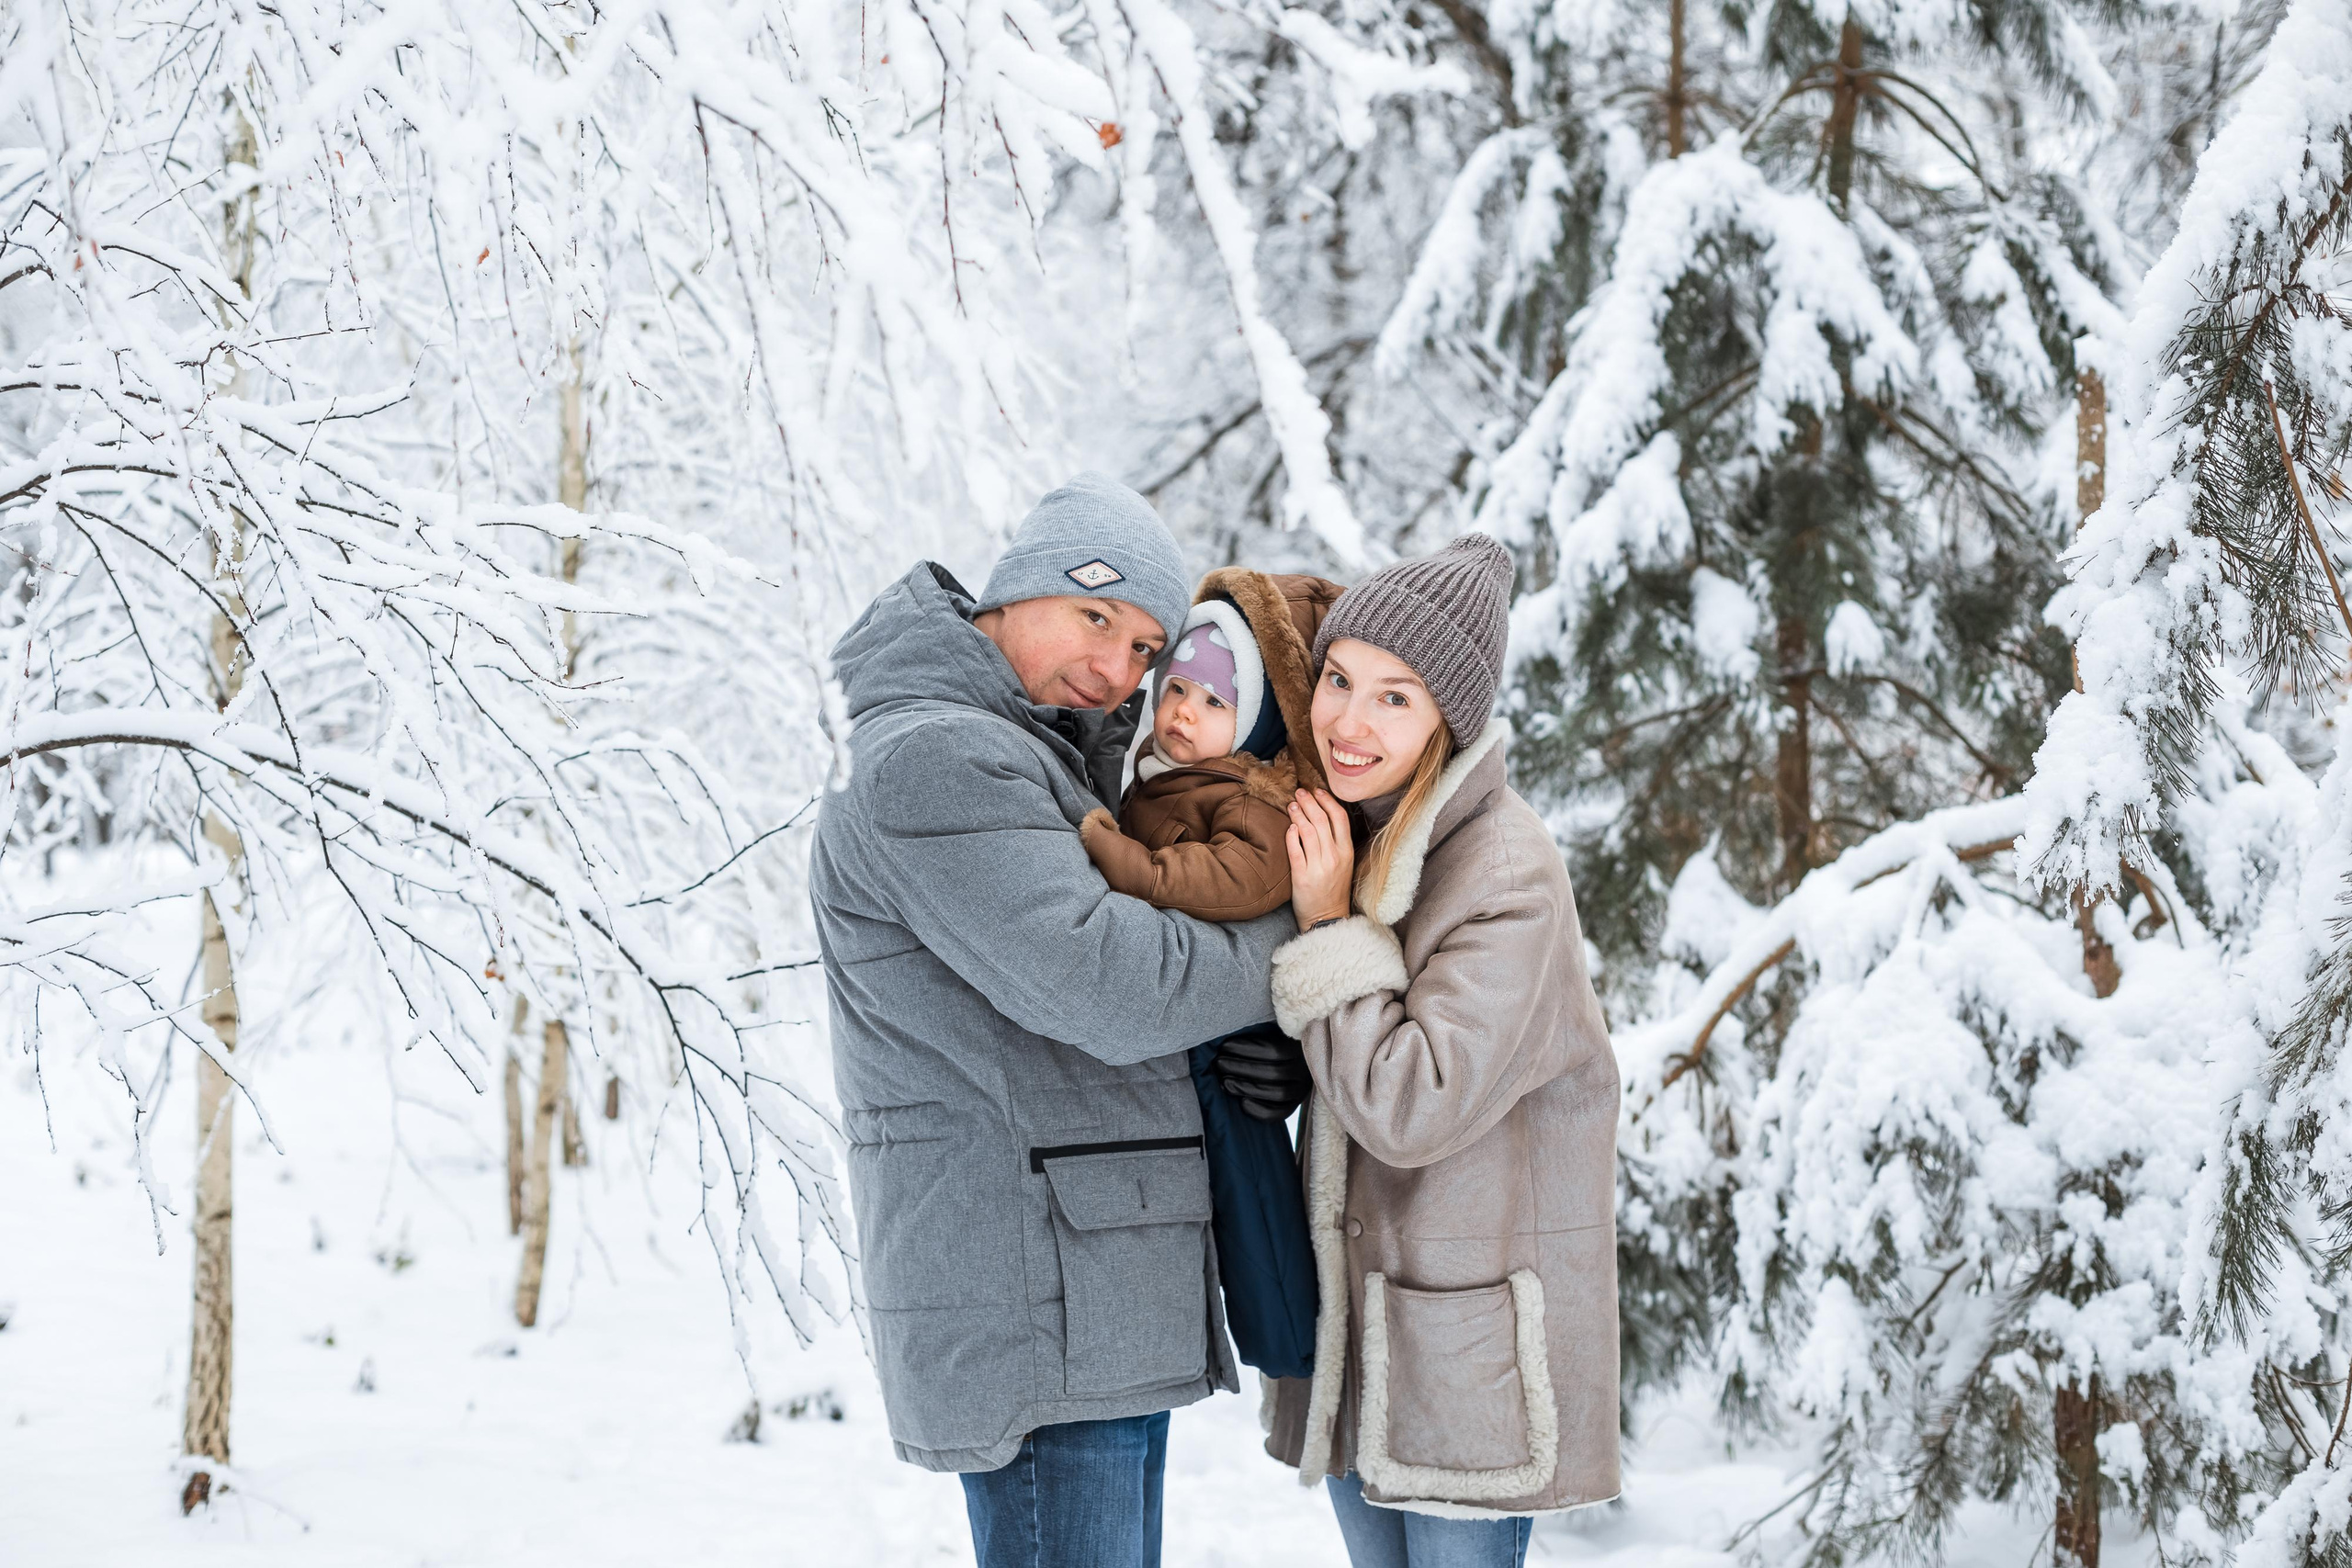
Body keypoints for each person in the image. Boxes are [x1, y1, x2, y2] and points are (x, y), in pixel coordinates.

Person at [808, 474, 1305, 1568]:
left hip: (1083, 1284)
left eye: (1142, 649)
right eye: (1096, 618)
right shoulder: (939, 759)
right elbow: (1115, 989)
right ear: (1016, 591)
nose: (1114, 669)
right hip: (1039, 1297)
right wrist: (1301, 938)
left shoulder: (1028, 754)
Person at [1261, 535, 1623, 1568]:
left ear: (1447, 720)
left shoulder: (1505, 870)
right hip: (1371, 1333)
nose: (1346, 719)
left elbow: (1413, 1107)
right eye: (1338, 679)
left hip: (1469, 1356)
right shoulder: (1365, 831)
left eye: (1394, 697)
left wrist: (1329, 931)